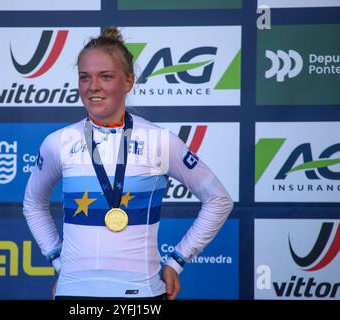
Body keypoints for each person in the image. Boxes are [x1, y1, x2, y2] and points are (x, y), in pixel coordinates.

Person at [23, 26, 234, 300]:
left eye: (106, 77)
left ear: (128, 82)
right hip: (73, 294)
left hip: (142, 295)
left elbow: (219, 200)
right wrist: (58, 261)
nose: (93, 87)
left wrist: (177, 261)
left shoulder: (159, 140)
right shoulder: (57, 142)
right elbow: (33, 203)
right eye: (84, 77)